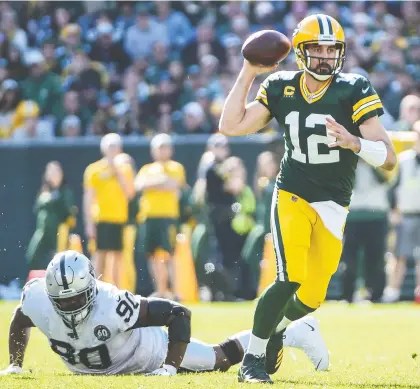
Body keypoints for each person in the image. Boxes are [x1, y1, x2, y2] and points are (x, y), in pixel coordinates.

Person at [219, 14, 397, 383]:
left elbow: (389, 157)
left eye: (332, 50)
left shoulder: (354, 88)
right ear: (300, 52)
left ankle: (277, 332)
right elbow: (231, 126)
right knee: (289, 277)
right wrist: (249, 70)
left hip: (334, 204)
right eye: (317, 48)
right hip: (293, 193)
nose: (325, 57)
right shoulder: (282, 85)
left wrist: (354, 142)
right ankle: (251, 361)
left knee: (312, 296)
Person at [0, 251, 328, 377]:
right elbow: (19, 318)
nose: (70, 306)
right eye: (64, 300)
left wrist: (169, 366)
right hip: (119, 364)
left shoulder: (112, 304)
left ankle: (294, 331)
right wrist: (15, 363)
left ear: (91, 289)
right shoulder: (38, 298)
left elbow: (177, 313)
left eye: (76, 299)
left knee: (222, 358)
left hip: (150, 352)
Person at [134, 134, 186, 299]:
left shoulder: (176, 167)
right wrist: (160, 182)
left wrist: (153, 184)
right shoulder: (147, 169)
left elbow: (174, 184)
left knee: (170, 254)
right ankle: (161, 290)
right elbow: (139, 185)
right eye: (159, 147)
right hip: (149, 217)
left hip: (167, 217)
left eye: (165, 147)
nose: (162, 151)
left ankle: (175, 291)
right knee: (152, 255)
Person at [83, 133, 135, 288]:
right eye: (110, 146)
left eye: (116, 146)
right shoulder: (94, 169)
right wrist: (89, 223)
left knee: (119, 257)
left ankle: (118, 291)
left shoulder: (125, 169)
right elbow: (88, 198)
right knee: (100, 255)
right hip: (101, 218)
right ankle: (96, 289)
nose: (113, 150)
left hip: (119, 218)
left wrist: (117, 171)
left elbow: (130, 193)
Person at [26, 161, 75, 271]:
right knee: (33, 256)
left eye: (56, 172)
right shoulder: (43, 191)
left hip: (59, 234)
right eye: (51, 172)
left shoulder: (65, 192)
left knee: (57, 261)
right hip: (42, 232)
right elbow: (37, 208)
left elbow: (69, 214)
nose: (53, 175)